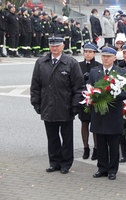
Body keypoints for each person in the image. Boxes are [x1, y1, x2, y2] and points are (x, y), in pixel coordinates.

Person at [30, 36, 84, 174]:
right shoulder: (41, 62)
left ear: (63, 46)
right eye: (52, 46)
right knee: (52, 137)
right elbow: (35, 85)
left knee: (67, 138)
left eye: (57, 46)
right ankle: (54, 162)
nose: (54, 48)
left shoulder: (71, 63)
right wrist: (36, 103)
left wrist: (75, 106)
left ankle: (66, 163)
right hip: (47, 106)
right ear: (49, 47)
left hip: (65, 107)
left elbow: (78, 87)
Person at [90, 45, 126, 180]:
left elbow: (125, 93)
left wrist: (111, 94)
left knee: (113, 144)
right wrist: (95, 96)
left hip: (113, 114)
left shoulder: (121, 73)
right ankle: (102, 168)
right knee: (100, 143)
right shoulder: (94, 72)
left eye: (108, 57)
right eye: (103, 56)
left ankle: (112, 169)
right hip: (99, 114)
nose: (105, 59)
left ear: (114, 58)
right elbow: (89, 89)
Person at [79, 43, 101, 160]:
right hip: (83, 99)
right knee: (84, 123)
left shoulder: (98, 66)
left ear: (94, 53)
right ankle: (85, 148)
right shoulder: (78, 65)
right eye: (86, 51)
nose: (87, 54)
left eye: (90, 52)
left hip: (95, 99)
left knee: (95, 125)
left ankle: (96, 149)